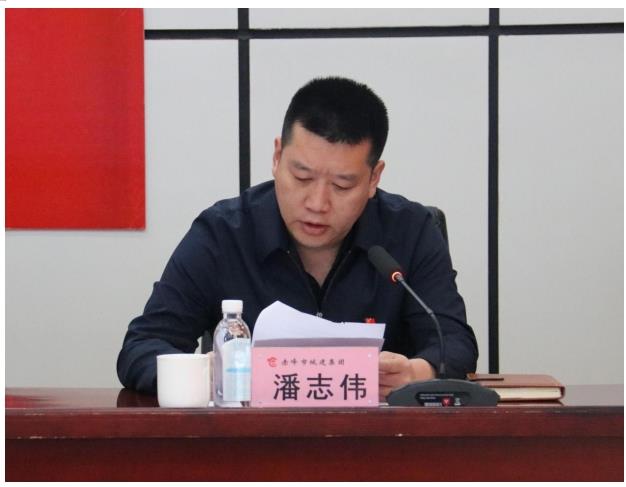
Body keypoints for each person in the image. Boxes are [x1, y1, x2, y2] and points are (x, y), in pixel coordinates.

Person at [117, 76, 478, 400]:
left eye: (342, 185)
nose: (317, 204)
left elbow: (453, 342)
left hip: (378, 444)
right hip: (251, 446)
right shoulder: (223, 233)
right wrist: (205, 373)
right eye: (302, 177)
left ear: (373, 178)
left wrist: (417, 373)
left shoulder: (410, 231)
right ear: (277, 157)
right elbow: (142, 347)